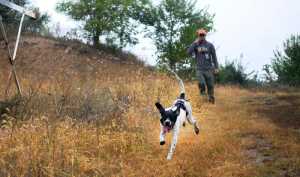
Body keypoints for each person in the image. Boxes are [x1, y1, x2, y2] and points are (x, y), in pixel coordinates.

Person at [187, 29, 219, 104]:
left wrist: (216, 67)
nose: (201, 36)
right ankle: (203, 97)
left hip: (209, 69)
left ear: (205, 35)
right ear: (198, 35)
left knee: (210, 86)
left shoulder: (210, 45)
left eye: (203, 35)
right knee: (201, 83)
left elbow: (214, 57)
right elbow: (188, 52)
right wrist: (194, 43)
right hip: (199, 69)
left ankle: (211, 102)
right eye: (200, 35)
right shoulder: (195, 44)